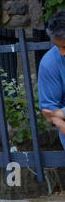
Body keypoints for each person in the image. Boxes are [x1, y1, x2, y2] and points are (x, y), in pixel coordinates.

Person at [38, 11, 65, 147]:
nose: (62, 53)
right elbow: (50, 109)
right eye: (57, 46)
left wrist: (61, 113)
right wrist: (58, 120)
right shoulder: (49, 63)